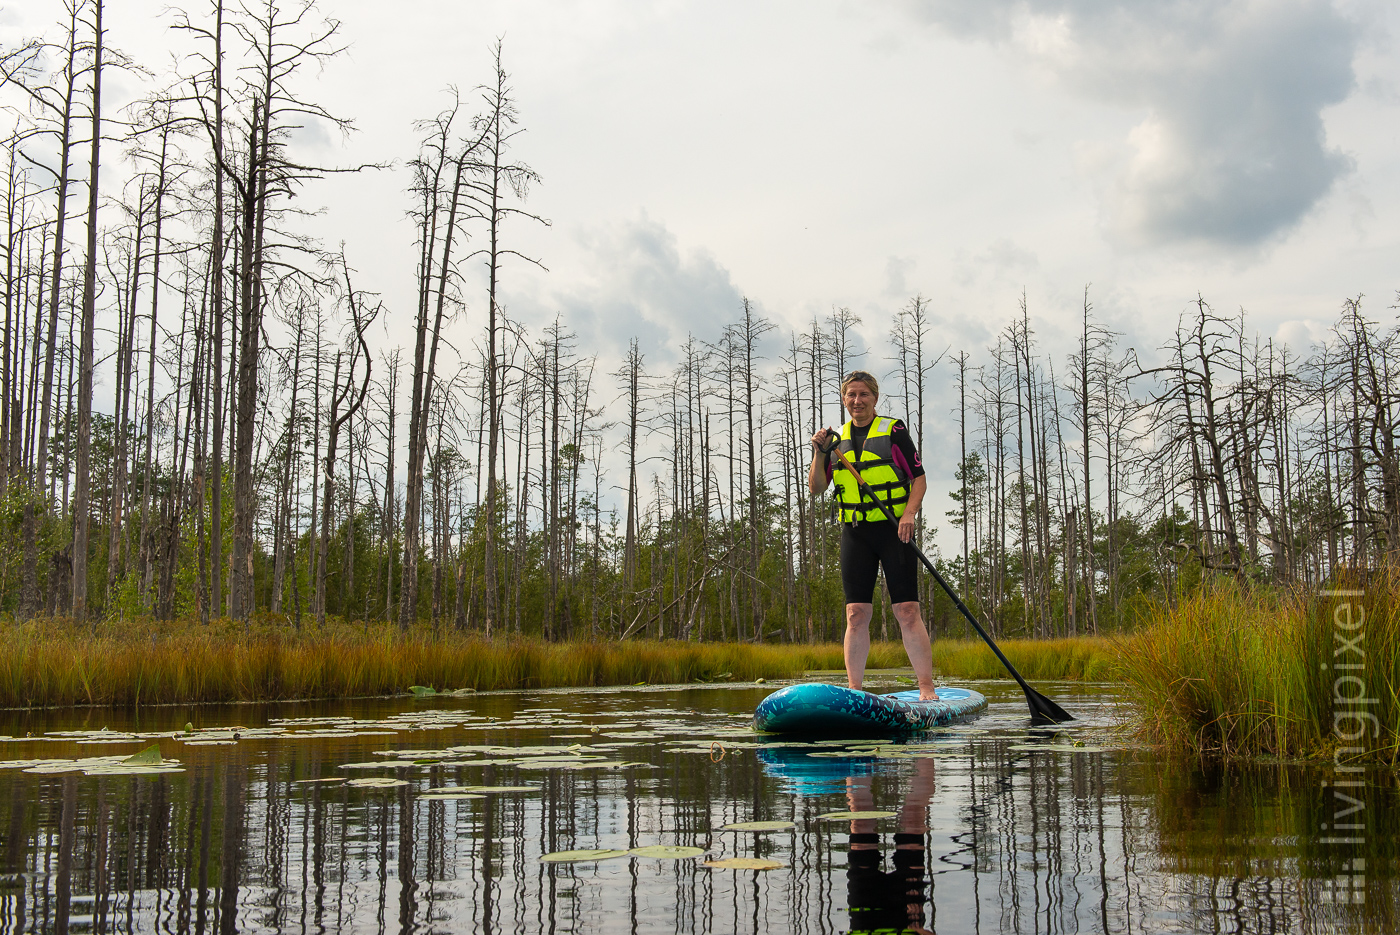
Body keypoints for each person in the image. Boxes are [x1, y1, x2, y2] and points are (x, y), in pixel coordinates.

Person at [807, 370, 937, 701]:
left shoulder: (894, 431)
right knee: (856, 613)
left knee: (907, 610)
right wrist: (820, 452)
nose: (857, 400)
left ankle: (926, 688)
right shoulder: (835, 441)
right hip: (856, 533)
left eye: (863, 394)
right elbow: (816, 489)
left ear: (874, 398)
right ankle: (855, 692)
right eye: (851, 395)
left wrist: (909, 514)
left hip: (895, 530)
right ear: (844, 399)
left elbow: (918, 479)